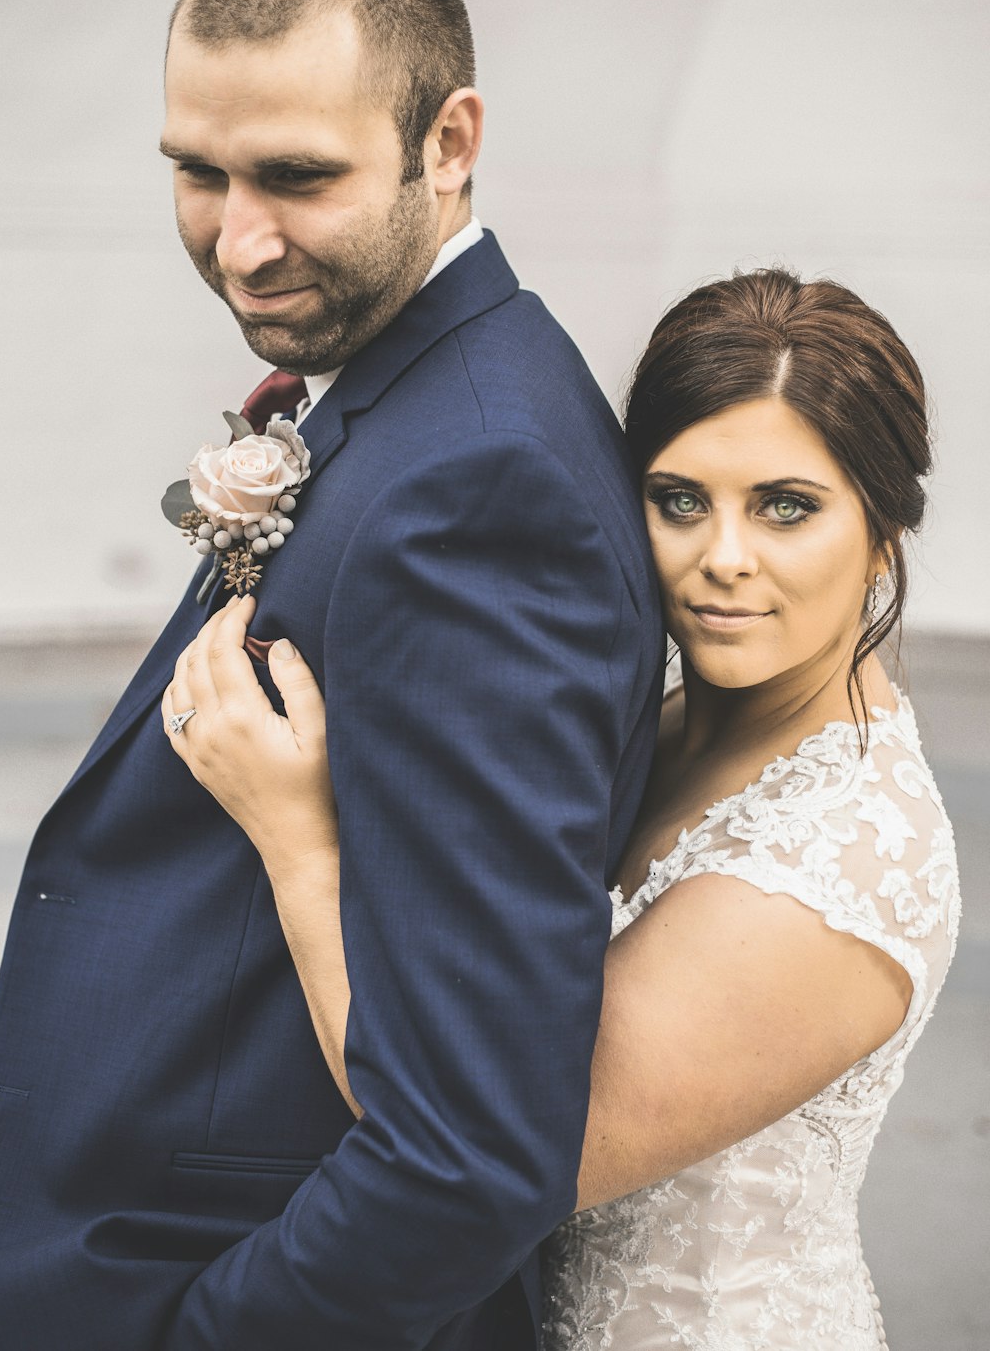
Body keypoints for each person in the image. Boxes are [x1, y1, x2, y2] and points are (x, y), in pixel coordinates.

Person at [0, 0, 663, 1351]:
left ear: (451, 139)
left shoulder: (485, 487)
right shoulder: (396, 391)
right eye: (197, 172)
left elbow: (469, 1151)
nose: (239, 242)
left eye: (297, 176)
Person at [163, 268, 960, 1350]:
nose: (722, 560)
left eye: (787, 506)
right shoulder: (678, 717)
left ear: (882, 533)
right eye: (680, 499)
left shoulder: (840, 864)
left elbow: (474, 1149)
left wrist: (300, 841)